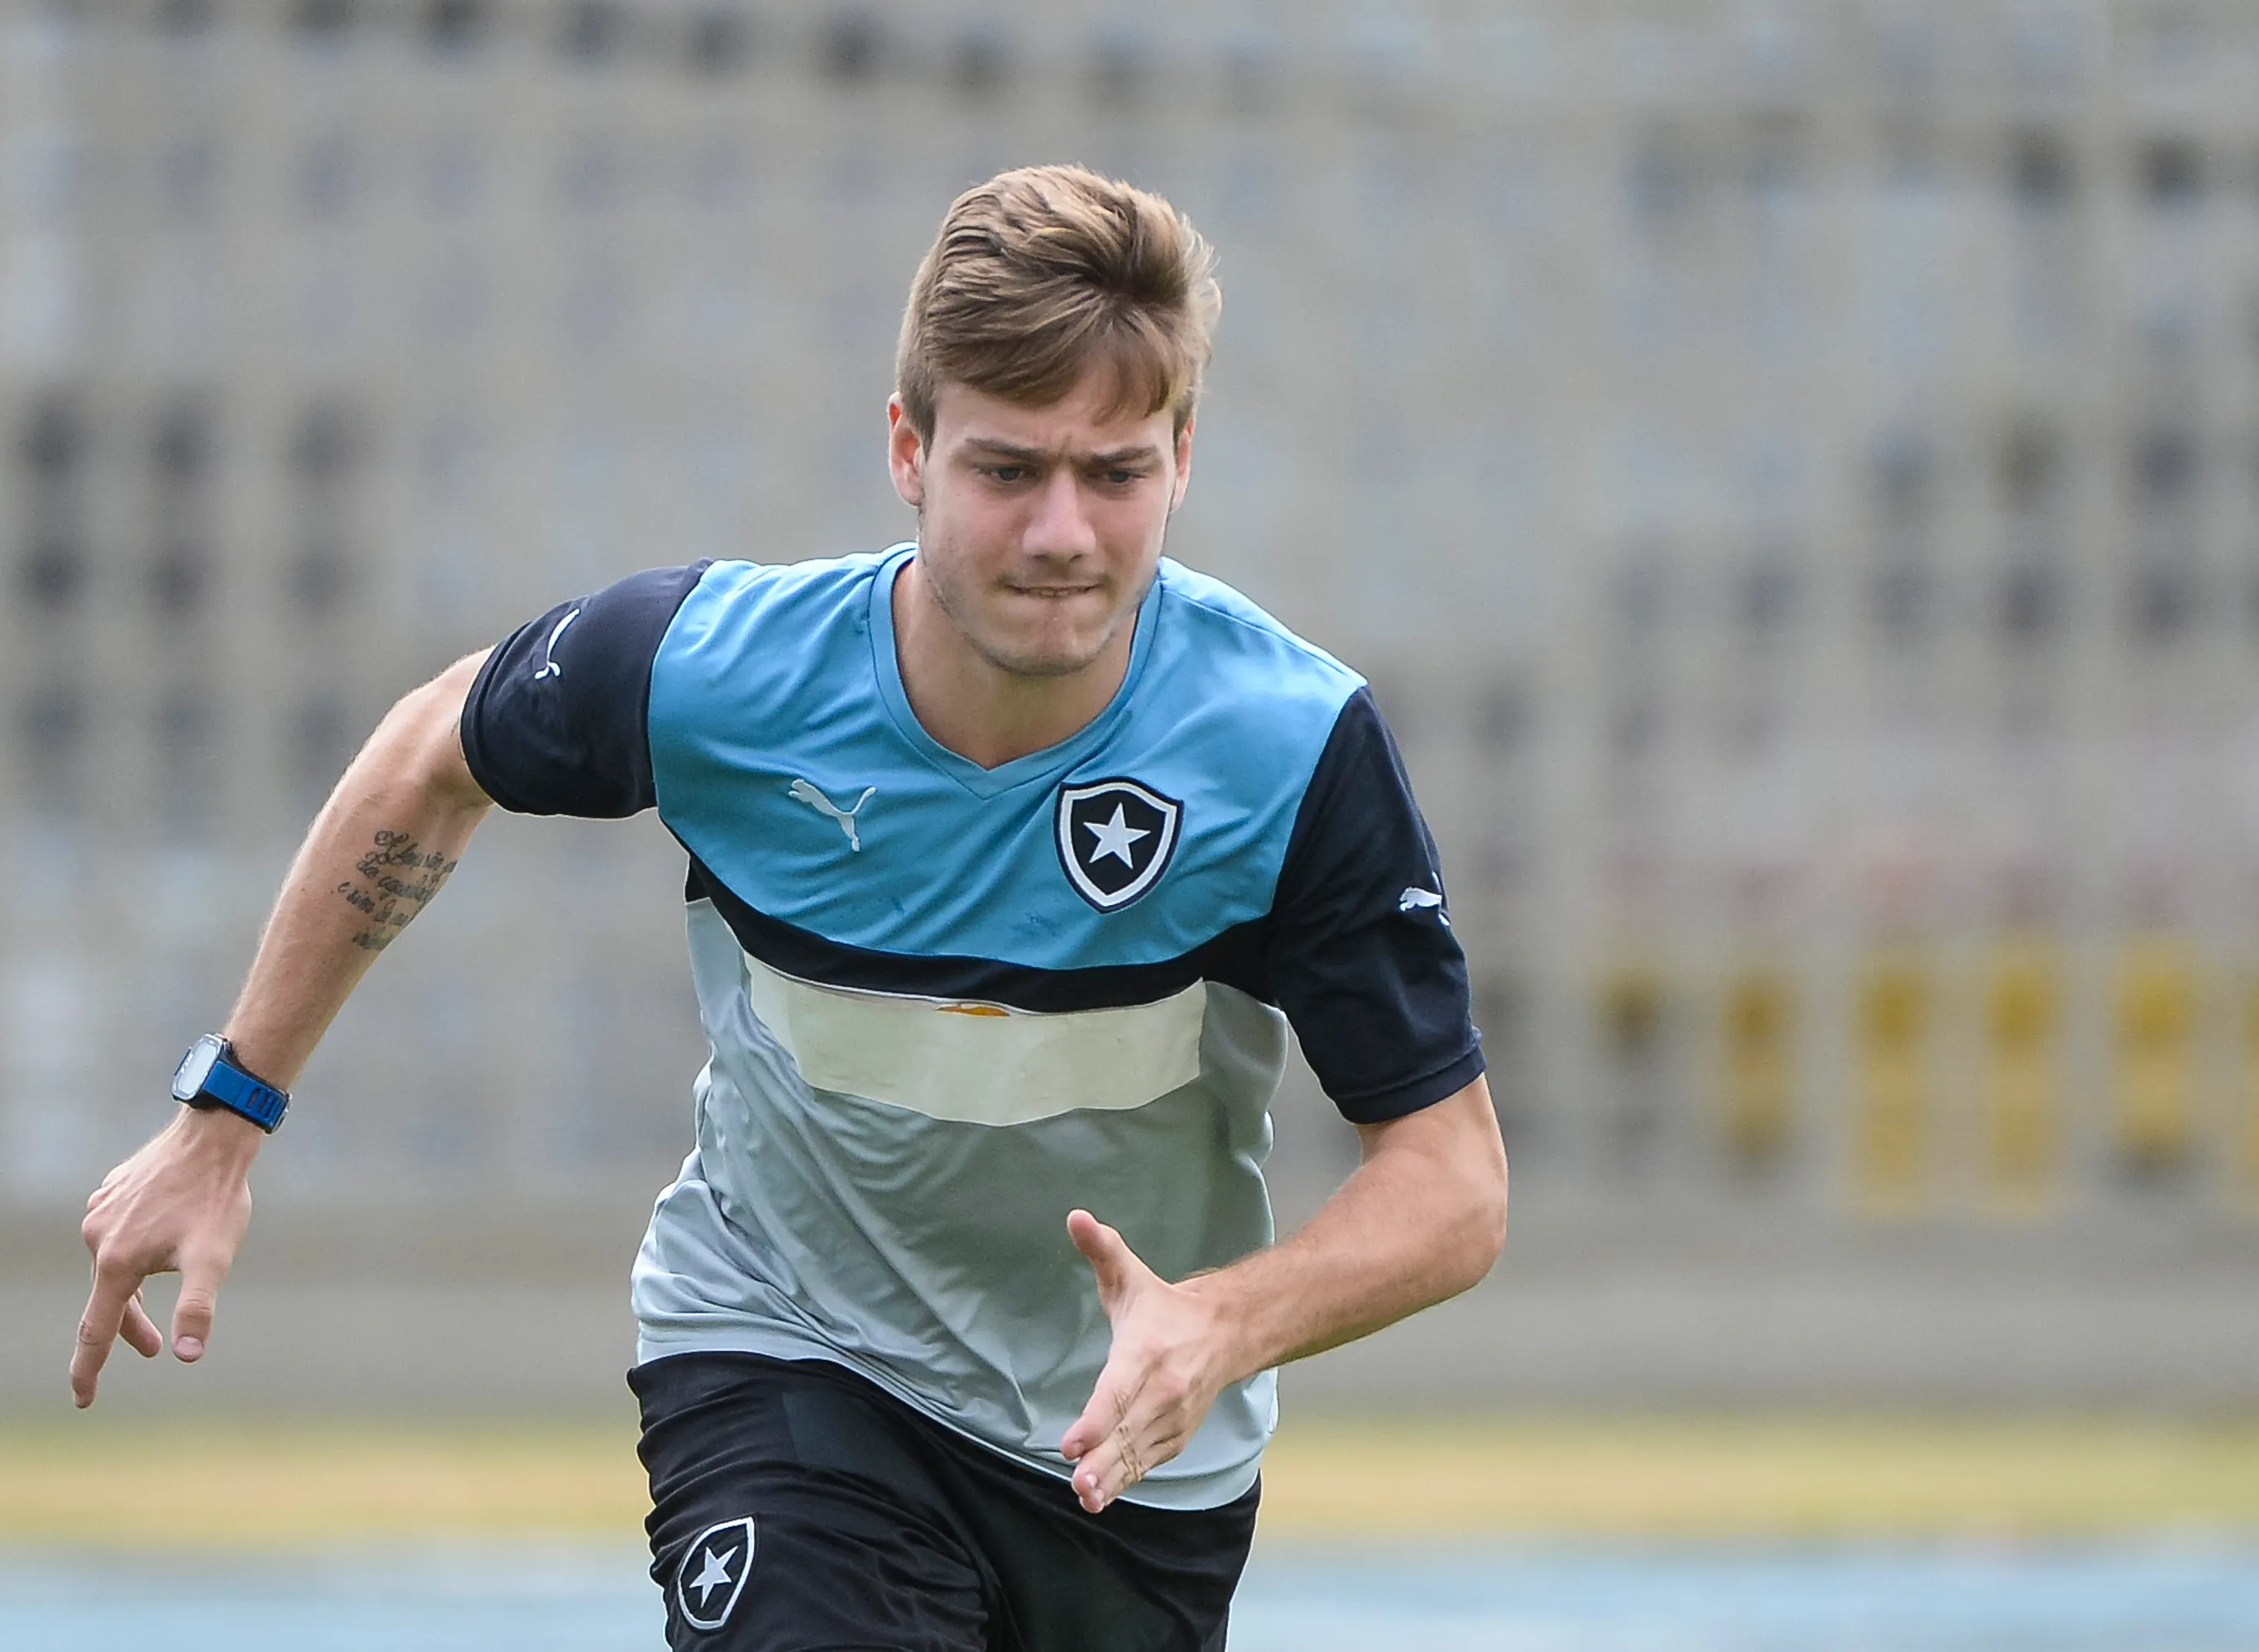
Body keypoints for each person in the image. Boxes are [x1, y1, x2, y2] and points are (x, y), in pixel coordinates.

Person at [72, 164, 1506, 1650]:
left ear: (1184, 457)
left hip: (1127, 1455)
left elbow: (1453, 1184)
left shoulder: (1289, 747)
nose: (1063, 532)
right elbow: (434, 754)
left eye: (1116, 472)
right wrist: (222, 1116)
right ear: (909, 448)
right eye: (1008, 471)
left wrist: (1224, 1321)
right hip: (791, 1353)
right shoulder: (718, 672)